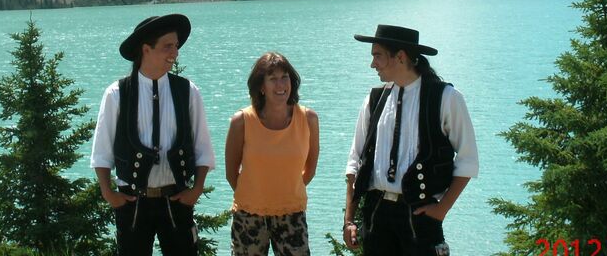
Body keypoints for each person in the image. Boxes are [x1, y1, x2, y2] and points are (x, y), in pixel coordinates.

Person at [343, 25, 479, 256]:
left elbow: (468, 161)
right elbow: (355, 162)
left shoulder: (446, 98)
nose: (372, 63)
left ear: (401, 57)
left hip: (419, 216)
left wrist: (441, 209)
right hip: (376, 216)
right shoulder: (374, 99)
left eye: (378, 56)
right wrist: (349, 220)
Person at [91, 14, 215, 256]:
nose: (175, 52)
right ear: (146, 49)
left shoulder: (188, 92)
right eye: (168, 46)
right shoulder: (117, 93)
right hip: (132, 203)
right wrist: (109, 193)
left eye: (176, 46)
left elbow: (203, 147)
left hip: (176, 198)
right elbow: (102, 151)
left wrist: (196, 189)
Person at [225, 52, 320, 256]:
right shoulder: (241, 121)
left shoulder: (308, 119)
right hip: (249, 215)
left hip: (292, 214)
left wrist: (286, 193)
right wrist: (256, 197)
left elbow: (310, 169)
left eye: (285, 77)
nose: (280, 85)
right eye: (273, 79)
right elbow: (231, 174)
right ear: (261, 86)